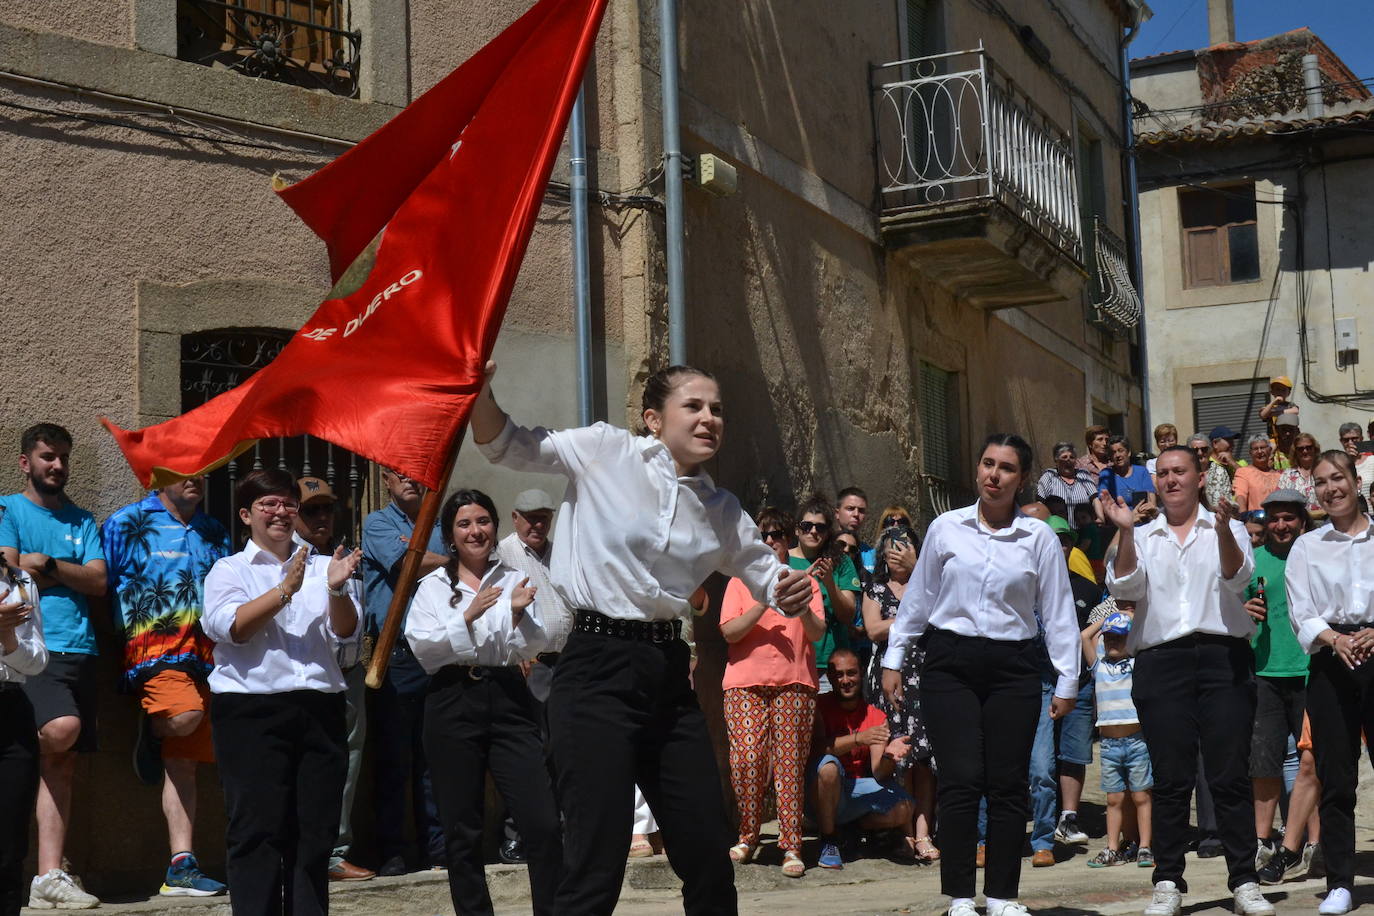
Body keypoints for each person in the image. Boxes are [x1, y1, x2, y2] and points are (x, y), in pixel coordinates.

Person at [471, 361, 813, 914]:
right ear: (653, 419)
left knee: (706, 850)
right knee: (595, 859)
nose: (709, 418)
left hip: (666, 675)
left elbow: (765, 571)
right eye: (694, 407)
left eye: (717, 409)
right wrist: (480, 389)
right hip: (593, 670)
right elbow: (506, 444)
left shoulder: (719, 507)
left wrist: (786, 589)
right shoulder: (606, 450)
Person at [883, 433, 1080, 916]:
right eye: (988, 464)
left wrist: (1068, 680)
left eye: (1006, 468)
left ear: (1021, 479)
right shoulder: (946, 529)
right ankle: (959, 897)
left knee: (1009, 782)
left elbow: (1057, 613)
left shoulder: (1039, 539)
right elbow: (919, 599)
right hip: (950, 663)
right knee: (962, 778)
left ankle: (1003, 896)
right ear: (977, 470)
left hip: (1014, 666)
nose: (994, 475)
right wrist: (893, 657)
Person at [1103, 445, 1274, 916]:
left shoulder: (1228, 525)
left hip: (1223, 656)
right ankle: (1168, 882)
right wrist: (1125, 531)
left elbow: (1239, 577)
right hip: (1162, 661)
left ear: (1200, 477)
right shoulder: (1142, 534)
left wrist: (1221, 531)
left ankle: (1244, 880)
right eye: (1163, 473)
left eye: (1180, 471)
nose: (1171, 480)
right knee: (1172, 777)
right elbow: (1124, 588)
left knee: (1228, 774)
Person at [201, 469, 361, 916]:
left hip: (320, 708)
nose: (280, 512)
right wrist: (284, 591)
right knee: (257, 833)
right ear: (246, 514)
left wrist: (335, 588)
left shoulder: (325, 566)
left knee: (315, 835)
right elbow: (231, 627)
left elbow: (347, 639)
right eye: (268, 504)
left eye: (288, 503)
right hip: (251, 711)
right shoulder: (227, 569)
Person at [404, 488, 560, 915]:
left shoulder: (513, 577)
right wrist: (469, 616)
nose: (477, 531)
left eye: (484, 521)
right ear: (450, 535)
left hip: (508, 695)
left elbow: (535, 642)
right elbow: (426, 650)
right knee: (462, 827)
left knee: (542, 821)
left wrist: (514, 614)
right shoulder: (432, 586)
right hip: (452, 699)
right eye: (465, 524)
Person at [101, 476, 231, 896]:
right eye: (182, 469)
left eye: (201, 469)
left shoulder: (214, 530)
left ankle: (181, 865)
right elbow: (104, 586)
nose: (194, 478)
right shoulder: (127, 522)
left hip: (207, 657)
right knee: (184, 717)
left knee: (185, 763)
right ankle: (154, 728)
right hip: (154, 651)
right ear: (158, 474)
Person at [0, 424, 105, 909]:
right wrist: (61, 571)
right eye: (47, 457)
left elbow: (99, 581)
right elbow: (9, 566)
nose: (57, 466)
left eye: (63, 457)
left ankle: (47, 876)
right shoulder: (9, 509)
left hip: (81, 649)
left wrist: (48, 567)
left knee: (63, 760)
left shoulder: (83, 519)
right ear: (26, 462)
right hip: (30, 649)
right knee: (61, 730)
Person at [1284, 448, 1374, 915]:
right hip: (1331, 663)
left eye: (1337, 478)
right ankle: (1340, 880)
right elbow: (1301, 608)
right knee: (1335, 777)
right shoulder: (1307, 545)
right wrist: (1334, 638)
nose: (1330, 488)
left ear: (1355, 481)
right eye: (1320, 482)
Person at [719, 506, 826, 878]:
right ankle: (748, 835)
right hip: (744, 682)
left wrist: (796, 606)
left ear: (787, 541)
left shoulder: (805, 582)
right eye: (763, 535)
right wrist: (766, 598)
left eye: (777, 535)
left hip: (794, 681)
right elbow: (730, 633)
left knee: (790, 765)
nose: (770, 541)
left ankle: (791, 844)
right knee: (747, 760)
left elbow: (816, 634)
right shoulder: (738, 582)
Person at [287, 477, 374, 883]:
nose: (321, 517)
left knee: (348, 764)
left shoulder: (347, 554)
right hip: (305, 679)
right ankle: (303, 852)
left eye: (327, 509)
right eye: (311, 510)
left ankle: (334, 852)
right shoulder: (285, 558)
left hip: (350, 675)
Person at [362, 467, 448, 876]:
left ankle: (439, 848)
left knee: (435, 757)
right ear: (386, 481)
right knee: (394, 760)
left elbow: (422, 559)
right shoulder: (377, 522)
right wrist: (448, 561)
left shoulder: (441, 521)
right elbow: (406, 565)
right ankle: (392, 849)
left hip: (439, 654)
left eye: (416, 473)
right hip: (396, 657)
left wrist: (429, 558)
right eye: (400, 474)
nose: (409, 480)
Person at [494, 487, 573, 865]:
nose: (537, 523)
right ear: (515, 518)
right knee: (530, 756)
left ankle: (559, 831)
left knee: (565, 752)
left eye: (544, 515)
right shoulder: (504, 554)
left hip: (568, 664)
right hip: (529, 664)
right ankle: (517, 835)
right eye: (529, 516)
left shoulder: (560, 552)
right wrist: (518, 652)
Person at [1239, 490, 1310, 873]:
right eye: (1275, 518)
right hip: (1265, 671)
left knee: (1311, 764)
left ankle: (1313, 845)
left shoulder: (1314, 554)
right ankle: (1261, 842)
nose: (1281, 525)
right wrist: (1243, 609)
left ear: (1302, 520)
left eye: (1289, 518)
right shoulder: (1255, 561)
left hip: (1311, 671)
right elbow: (1236, 610)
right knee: (1263, 763)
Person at [861, 524, 937, 863]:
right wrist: (911, 616)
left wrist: (912, 604)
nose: (896, 551)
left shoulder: (928, 586)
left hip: (925, 676)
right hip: (890, 678)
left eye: (904, 545)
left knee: (925, 760)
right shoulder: (875, 588)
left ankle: (924, 832)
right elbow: (874, 630)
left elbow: (939, 615)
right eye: (890, 545)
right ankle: (904, 831)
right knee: (898, 757)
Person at [810, 648, 914, 869]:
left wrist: (888, 756)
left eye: (851, 673)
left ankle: (853, 828)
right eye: (839, 675)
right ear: (830, 678)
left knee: (905, 808)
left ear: (861, 675)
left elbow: (878, 772)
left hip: (857, 789)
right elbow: (818, 749)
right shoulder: (818, 706)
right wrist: (858, 738)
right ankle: (829, 839)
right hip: (822, 789)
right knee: (829, 767)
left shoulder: (875, 716)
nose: (846, 680)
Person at [1081, 611, 1152, 868]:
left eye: (1119, 638)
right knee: (1114, 799)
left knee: (1141, 796)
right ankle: (1112, 848)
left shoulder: (1136, 665)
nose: (1112, 641)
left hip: (1136, 742)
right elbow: (1085, 635)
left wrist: (1132, 620)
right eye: (1109, 637)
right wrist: (1111, 618)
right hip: (1109, 746)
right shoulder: (1098, 667)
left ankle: (1144, 846)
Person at [0, 559, 46, 916]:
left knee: (10, 842)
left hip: (11, 708)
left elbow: (37, 660)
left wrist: (7, 637)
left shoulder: (18, 579)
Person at [790, 495, 863, 693]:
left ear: (828, 532)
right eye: (807, 526)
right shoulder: (782, 561)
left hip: (832, 666)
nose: (813, 531)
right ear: (797, 529)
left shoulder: (841, 562)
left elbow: (848, 615)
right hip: (792, 664)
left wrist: (830, 583)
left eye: (820, 527)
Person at [1036, 442, 1101, 528]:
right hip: (1059, 530)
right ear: (1056, 460)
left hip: (1084, 529)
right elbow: (1040, 504)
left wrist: (1100, 519)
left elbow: (1095, 499)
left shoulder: (1083, 475)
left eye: (1072, 457)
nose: (1068, 460)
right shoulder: (1049, 476)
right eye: (1064, 457)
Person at [1104, 435, 1156, 514]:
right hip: (1120, 522)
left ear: (1128, 452)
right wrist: (1130, 517)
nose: (1117, 455)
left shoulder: (1142, 472)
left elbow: (1152, 503)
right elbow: (1106, 508)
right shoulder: (1107, 474)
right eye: (1113, 452)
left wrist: (1148, 509)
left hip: (1144, 518)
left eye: (1121, 450)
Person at [1276, 434, 1322, 515]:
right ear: (1295, 452)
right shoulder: (1287, 475)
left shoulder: (1324, 470)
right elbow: (1279, 501)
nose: (1305, 451)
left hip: (1325, 520)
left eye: (1309, 447)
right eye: (1300, 449)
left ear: (1315, 449)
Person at [1234, 436, 1282, 513]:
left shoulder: (1279, 476)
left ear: (1269, 450)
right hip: (1255, 521)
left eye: (1262, 448)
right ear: (1250, 453)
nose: (1259, 452)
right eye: (1255, 449)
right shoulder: (1244, 472)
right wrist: (1243, 516)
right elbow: (1240, 495)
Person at [836, 487, 874, 579]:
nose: (856, 514)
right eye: (850, 508)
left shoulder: (872, 556)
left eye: (861, 511)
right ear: (837, 513)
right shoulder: (822, 547)